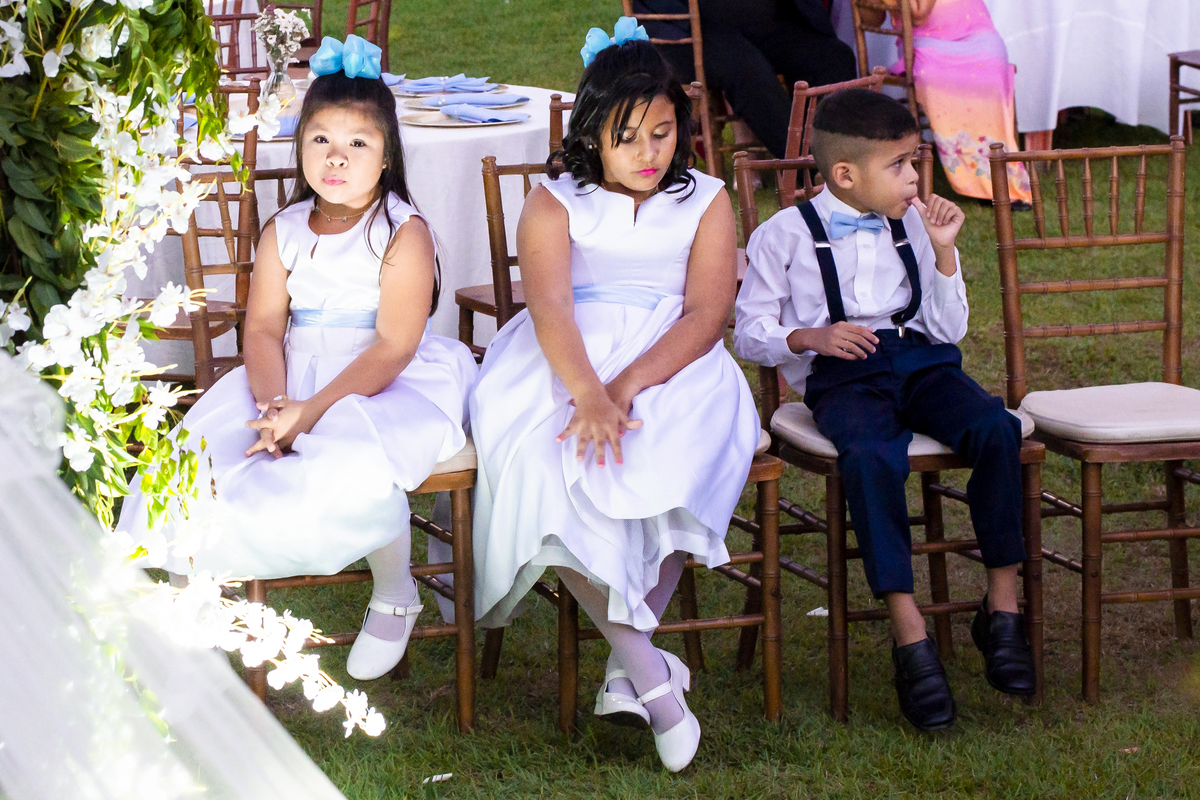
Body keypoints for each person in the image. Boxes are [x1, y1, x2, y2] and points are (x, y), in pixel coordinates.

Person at [118, 35, 477, 683]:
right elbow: (260, 329)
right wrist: (274, 404)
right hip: (288, 373)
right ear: (299, 144)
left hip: (379, 378)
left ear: (388, 153)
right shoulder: (283, 229)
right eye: (321, 140)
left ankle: (396, 592)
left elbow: (395, 344)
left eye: (357, 143)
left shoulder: (402, 231)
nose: (337, 158)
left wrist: (311, 411)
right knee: (206, 459)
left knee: (354, 450)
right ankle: (200, 598)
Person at [471, 25, 759, 771]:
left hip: (674, 361)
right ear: (591, 135)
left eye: (661, 133)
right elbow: (551, 308)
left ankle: (624, 668)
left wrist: (627, 388)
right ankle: (653, 676)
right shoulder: (553, 201)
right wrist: (589, 393)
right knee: (544, 465)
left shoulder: (708, 200)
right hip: (562, 359)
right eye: (626, 136)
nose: (647, 153)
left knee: (673, 454)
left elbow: (705, 313)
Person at [733, 89, 1035, 731]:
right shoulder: (781, 236)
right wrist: (806, 337)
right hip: (845, 380)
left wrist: (945, 250)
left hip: (922, 362)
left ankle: (1002, 608)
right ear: (846, 175)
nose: (915, 178)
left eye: (914, 162)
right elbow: (748, 329)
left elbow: (947, 330)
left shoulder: (916, 224)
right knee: (870, 457)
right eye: (901, 165)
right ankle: (909, 633)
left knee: (995, 429)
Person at [634, 0, 856, 159]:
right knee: (747, 69)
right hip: (691, 26)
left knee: (832, 57)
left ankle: (840, 156)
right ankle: (805, 168)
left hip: (765, 21)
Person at [862, 0, 1032, 205]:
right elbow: (883, 17)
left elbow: (918, 11)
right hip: (926, 43)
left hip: (976, 34)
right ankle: (983, 182)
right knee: (933, 77)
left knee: (990, 70)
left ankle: (999, 178)